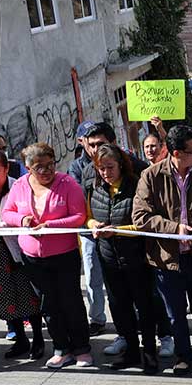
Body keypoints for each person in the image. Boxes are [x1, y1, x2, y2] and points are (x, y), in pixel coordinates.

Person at [132, 124, 192, 376]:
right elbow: (140, 217)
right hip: (166, 260)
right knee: (175, 315)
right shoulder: (150, 176)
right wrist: (175, 229)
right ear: (176, 153)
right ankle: (183, 356)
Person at [2, 142, 92, 369]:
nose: (46, 171)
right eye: (39, 167)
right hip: (32, 258)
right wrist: (22, 220)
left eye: (50, 165)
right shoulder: (20, 186)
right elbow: (7, 212)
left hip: (64, 255)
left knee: (70, 301)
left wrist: (51, 225)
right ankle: (61, 348)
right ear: (28, 167)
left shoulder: (68, 183)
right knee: (48, 304)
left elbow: (79, 216)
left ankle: (81, 348)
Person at [86, 144, 159, 373]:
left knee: (144, 307)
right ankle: (131, 352)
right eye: (101, 169)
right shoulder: (95, 189)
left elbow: (145, 223)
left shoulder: (136, 186)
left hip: (136, 258)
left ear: (120, 165)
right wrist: (93, 225)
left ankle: (149, 352)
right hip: (109, 259)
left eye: (110, 167)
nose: (106, 173)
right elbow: (87, 216)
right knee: (119, 307)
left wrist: (117, 230)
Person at [0, 149, 45, 360]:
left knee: (28, 297)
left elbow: (16, 218)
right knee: (4, 298)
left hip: (15, 251)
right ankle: (21, 340)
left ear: (5, 169)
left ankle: (38, 339)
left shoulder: (18, 187)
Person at [67, 120, 107, 336]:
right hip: (88, 230)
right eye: (90, 142)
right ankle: (97, 317)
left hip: (113, 228)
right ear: (81, 142)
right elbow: (79, 198)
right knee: (92, 275)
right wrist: (91, 222)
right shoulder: (76, 167)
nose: (95, 148)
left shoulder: (116, 159)